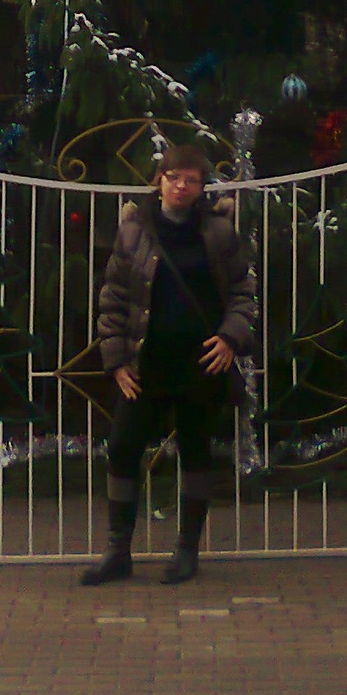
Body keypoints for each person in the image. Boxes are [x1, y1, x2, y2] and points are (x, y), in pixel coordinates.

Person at [82, 143, 258, 587]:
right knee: (123, 447)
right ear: (159, 181)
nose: (181, 186)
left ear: (201, 188)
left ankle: (187, 551)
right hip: (145, 364)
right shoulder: (133, 232)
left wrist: (230, 338)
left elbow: (243, 292)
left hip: (201, 363)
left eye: (191, 180)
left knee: (196, 451)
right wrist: (116, 362)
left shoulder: (219, 232)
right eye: (173, 177)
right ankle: (118, 552)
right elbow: (113, 299)